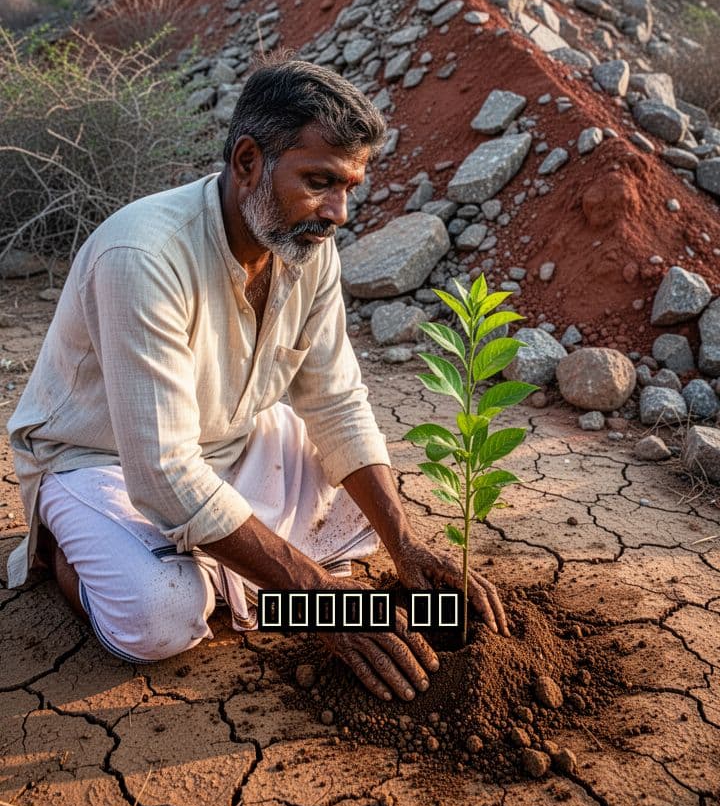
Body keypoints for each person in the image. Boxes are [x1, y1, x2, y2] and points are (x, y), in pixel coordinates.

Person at [7, 57, 507, 699]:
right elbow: (161, 470)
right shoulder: (142, 255)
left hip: (229, 441)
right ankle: (72, 553)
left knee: (366, 515)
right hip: (102, 463)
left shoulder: (305, 245)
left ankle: (227, 571)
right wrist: (323, 602)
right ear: (248, 162)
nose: (339, 212)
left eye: (350, 186)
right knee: (159, 614)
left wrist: (405, 545)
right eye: (319, 181)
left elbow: (336, 400)